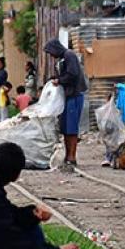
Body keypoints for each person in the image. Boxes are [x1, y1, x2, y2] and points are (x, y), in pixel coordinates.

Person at [43, 39, 87, 168]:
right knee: (66, 128)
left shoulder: (69, 55)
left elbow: (72, 74)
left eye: (51, 52)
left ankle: (72, 156)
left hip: (74, 95)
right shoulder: (62, 59)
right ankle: (68, 156)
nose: (51, 56)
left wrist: (60, 81)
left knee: (72, 128)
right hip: (67, 96)